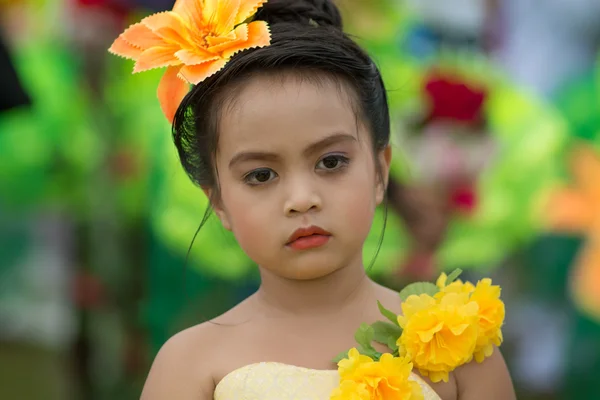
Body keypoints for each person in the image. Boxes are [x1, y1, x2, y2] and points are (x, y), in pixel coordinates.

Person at [109, 0, 515, 398]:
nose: (301, 200)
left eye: (331, 162)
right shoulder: (190, 365)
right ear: (218, 203)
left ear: (380, 172)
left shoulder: (459, 348)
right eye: (261, 175)